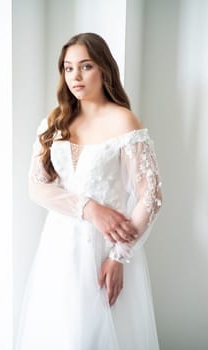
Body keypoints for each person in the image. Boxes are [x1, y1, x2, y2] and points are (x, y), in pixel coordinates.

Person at [15, 32, 162, 350]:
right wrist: (89, 208)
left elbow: (150, 195)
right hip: (58, 247)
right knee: (59, 333)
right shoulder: (54, 123)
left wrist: (119, 257)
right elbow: (36, 188)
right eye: (68, 68)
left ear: (104, 70)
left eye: (85, 66)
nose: (75, 76)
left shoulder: (124, 121)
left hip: (105, 248)